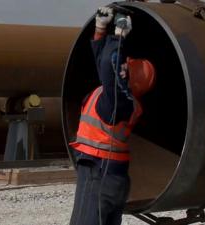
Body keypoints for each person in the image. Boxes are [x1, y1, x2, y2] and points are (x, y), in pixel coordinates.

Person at [69, 6, 156, 225]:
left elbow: (108, 66)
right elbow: (103, 64)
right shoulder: (122, 98)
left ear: (131, 79)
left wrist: (118, 38)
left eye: (128, 67)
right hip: (112, 173)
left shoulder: (118, 100)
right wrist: (100, 29)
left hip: (99, 171)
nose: (124, 65)